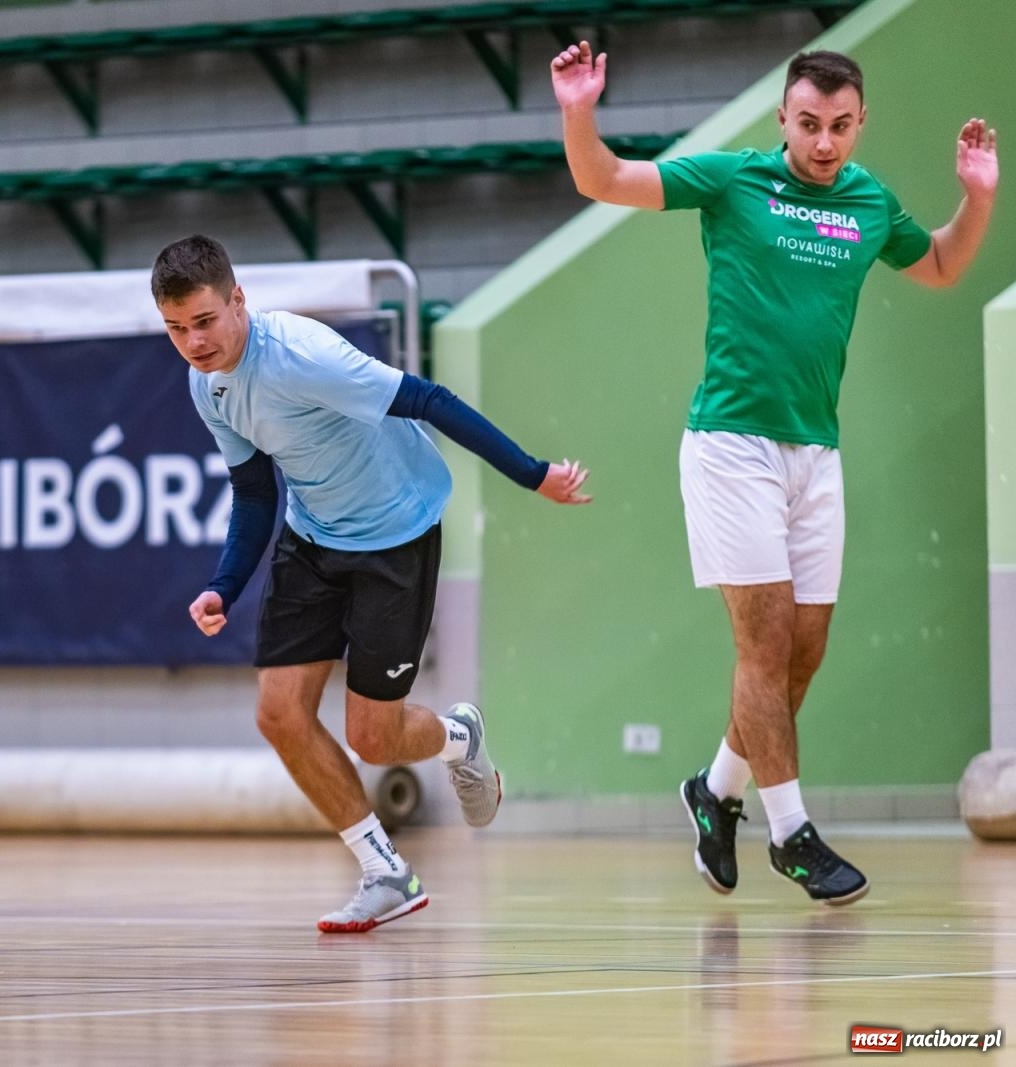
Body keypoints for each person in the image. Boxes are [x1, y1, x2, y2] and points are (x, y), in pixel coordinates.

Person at [551, 43, 998, 904]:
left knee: (803, 653)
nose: (824, 143)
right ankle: (792, 833)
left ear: (860, 122)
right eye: (807, 124)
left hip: (815, 453)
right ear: (781, 120)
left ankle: (716, 790)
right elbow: (602, 178)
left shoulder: (870, 203)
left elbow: (941, 265)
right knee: (761, 646)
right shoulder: (732, 183)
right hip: (731, 447)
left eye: (839, 126)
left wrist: (976, 199)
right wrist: (579, 109)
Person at [152, 235, 590, 932]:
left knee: (374, 737)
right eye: (176, 329)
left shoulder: (303, 356)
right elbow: (254, 491)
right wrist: (224, 586)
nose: (193, 343)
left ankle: (458, 739)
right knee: (278, 713)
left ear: (238, 301)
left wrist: (533, 474)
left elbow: (428, 398)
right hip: (313, 536)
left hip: (396, 537)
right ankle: (385, 870)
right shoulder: (207, 385)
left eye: (204, 321)